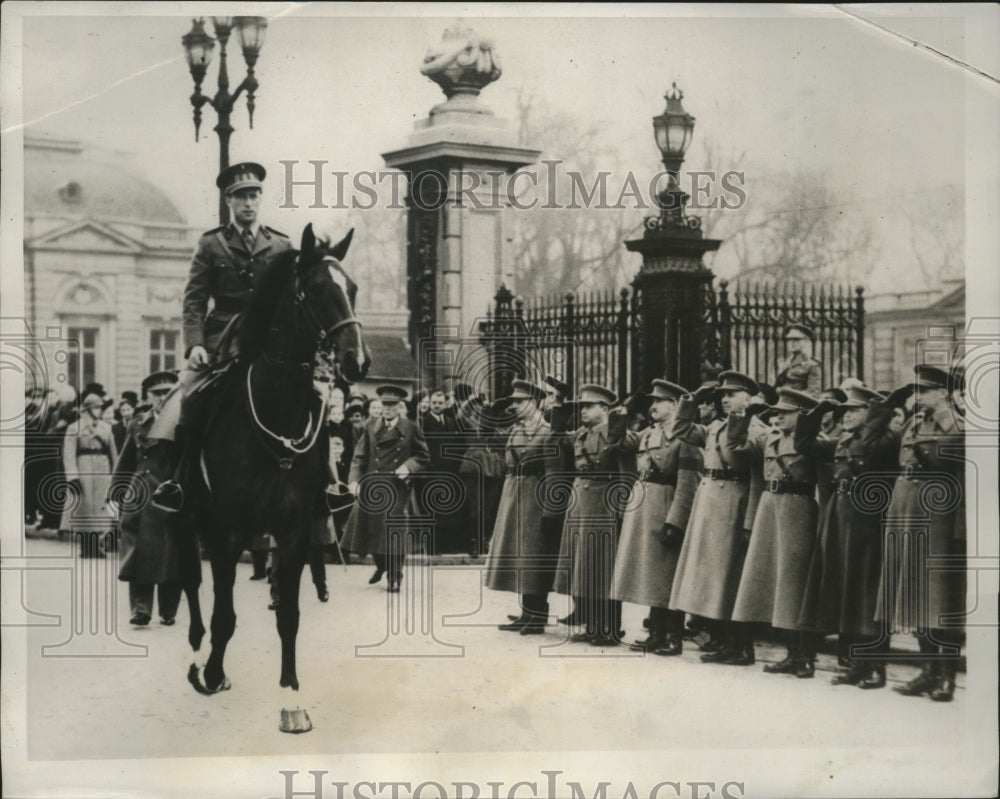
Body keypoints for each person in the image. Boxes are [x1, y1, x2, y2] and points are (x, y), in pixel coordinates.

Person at [151, 162, 293, 513]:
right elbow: (194, 299)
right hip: (221, 339)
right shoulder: (211, 244)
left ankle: (323, 483)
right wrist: (196, 344)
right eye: (241, 196)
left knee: (313, 393)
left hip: (270, 340)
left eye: (253, 195)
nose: (248, 202)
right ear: (229, 200)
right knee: (190, 394)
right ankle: (179, 481)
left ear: (260, 198)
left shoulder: (281, 244)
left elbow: (291, 299)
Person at [866, 364, 966, 702]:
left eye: (925, 390)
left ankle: (946, 676)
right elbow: (875, 442)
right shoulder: (915, 420)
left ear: (943, 391)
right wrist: (889, 405)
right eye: (917, 390)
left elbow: (956, 447)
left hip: (935, 510)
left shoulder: (954, 418)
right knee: (911, 589)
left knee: (936, 595)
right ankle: (928, 669)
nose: (918, 395)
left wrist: (943, 408)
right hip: (906, 505)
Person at [795, 382, 898, 688]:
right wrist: (818, 411)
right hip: (841, 516)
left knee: (867, 595)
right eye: (846, 410)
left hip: (868, 521)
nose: (847, 415)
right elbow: (804, 444)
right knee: (848, 592)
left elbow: (871, 447)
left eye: (855, 409)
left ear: (872, 412)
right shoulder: (843, 439)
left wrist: (877, 416)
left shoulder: (884, 438)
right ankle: (855, 664)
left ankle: (875, 667)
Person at [669, 371, 767, 665]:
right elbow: (681, 429)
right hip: (711, 506)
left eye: (732, 394)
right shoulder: (716, 427)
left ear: (748, 399)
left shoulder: (757, 430)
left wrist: (750, 522)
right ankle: (723, 640)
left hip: (734, 505)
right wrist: (693, 399)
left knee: (733, 579)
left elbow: (757, 480)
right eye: (722, 395)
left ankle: (742, 647)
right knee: (716, 578)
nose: (725, 399)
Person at [729, 387, 824, 678]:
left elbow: (824, 481)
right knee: (778, 582)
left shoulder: (815, 442)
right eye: (778, 412)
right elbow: (736, 448)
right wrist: (743, 415)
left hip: (798, 510)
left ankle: (804, 655)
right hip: (770, 508)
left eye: (786, 413)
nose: (779, 417)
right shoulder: (768, 438)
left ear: (801, 415)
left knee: (795, 583)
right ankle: (791, 653)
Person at [613, 380, 704, 656]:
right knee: (652, 574)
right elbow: (617, 440)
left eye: (659, 402)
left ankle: (673, 636)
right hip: (645, 507)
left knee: (667, 574)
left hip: (666, 507)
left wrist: (676, 520)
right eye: (652, 402)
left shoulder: (685, 438)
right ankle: (655, 634)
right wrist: (619, 413)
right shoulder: (648, 434)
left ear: (674, 405)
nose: (652, 407)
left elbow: (689, 482)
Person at [553, 383, 630, 646]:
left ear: (605, 408)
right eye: (582, 406)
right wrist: (557, 406)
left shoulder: (616, 434)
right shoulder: (582, 435)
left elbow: (625, 472)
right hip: (582, 504)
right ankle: (593, 624)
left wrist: (620, 510)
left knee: (604, 566)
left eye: (588, 406)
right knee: (585, 566)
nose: (583, 411)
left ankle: (610, 627)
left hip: (603, 504)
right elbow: (557, 439)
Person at [111, 370, 186, 626]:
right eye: (157, 394)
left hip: (169, 495)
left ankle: (168, 610)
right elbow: (125, 461)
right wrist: (115, 494)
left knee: (171, 554)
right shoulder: (138, 423)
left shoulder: (182, 423)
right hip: (139, 497)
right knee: (138, 554)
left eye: (167, 393)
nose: (162, 398)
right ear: (148, 396)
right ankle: (140, 610)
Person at [342, 385, 430, 592]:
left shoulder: (411, 427)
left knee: (395, 533)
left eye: (392, 405)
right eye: (384, 405)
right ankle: (381, 566)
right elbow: (359, 456)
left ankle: (394, 575)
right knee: (369, 530)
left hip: (397, 486)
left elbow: (423, 456)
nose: (388, 409)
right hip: (372, 486)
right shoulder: (371, 426)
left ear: (400, 406)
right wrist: (354, 481)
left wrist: (408, 466)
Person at [485, 380, 555, 635]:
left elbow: (552, 472)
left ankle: (537, 616)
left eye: (520, 401)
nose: (515, 406)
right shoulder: (515, 430)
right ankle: (526, 613)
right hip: (514, 493)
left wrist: (549, 507)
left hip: (535, 497)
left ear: (534, 403)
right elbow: (494, 445)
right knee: (518, 554)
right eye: (514, 401)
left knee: (534, 556)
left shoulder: (547, 431)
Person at [61, 391, 118, 558]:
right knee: (85, 509)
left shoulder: (106, 428)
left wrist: (116, 474)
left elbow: (113, 453)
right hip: (84, 467)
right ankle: (86, 545)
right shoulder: (74, 428)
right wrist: (72, 477)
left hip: (102, 469)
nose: (99, 410)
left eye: (101, 407)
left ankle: (97, 545)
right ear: (87, 409)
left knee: (100, 509)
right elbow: (69, 454)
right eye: (96, 408)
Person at [775, 324, 822, 396]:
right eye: (790, 340)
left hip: (799, 404)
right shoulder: (785, 362)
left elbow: (813, 393)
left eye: (796, 339)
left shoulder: (812, 365)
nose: (792, 343)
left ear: (805, 341)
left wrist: (790, 395)